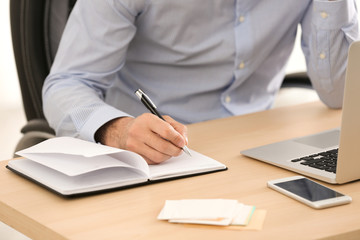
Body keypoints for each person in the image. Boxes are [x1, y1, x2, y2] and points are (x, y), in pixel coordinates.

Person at [43, 0, 359, 164]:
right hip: (152, 159)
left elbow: (339, 95)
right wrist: (116, 129)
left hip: (257, 151)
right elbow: (67, 82)